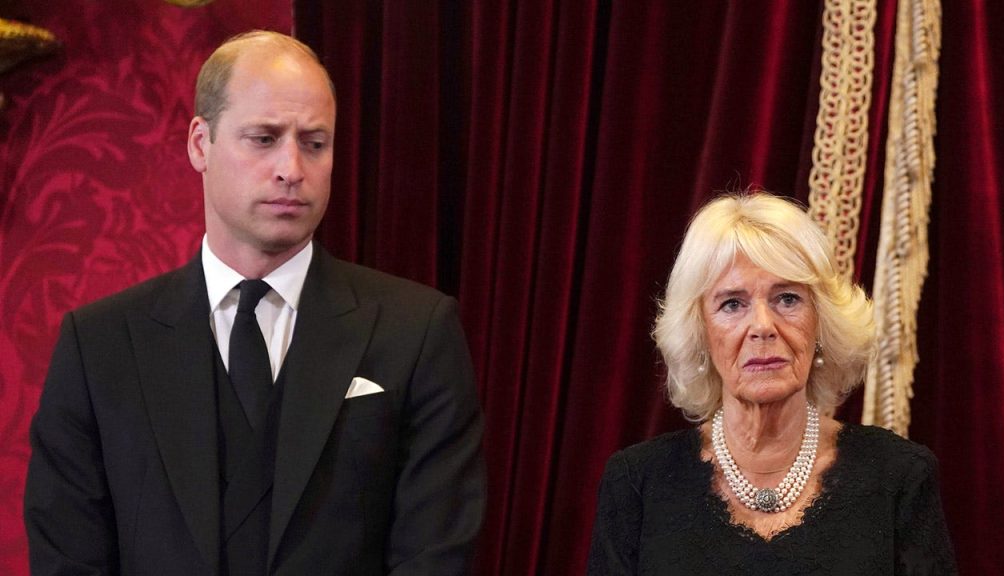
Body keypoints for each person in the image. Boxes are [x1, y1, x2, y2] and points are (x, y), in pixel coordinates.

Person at [24, 31, 484, 575]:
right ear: (201, 143)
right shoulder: (99, 345)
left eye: (315, 142)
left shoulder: (416, 332)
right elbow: (67, 558)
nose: (292, 168)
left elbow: (435, 556)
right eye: (264, 138)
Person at [587, 193, 956, 575]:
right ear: (701, 333)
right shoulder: (636, 484)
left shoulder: (899, 477)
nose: (762, 326)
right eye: (732, 304)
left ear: (821, 322)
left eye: (787, 298)